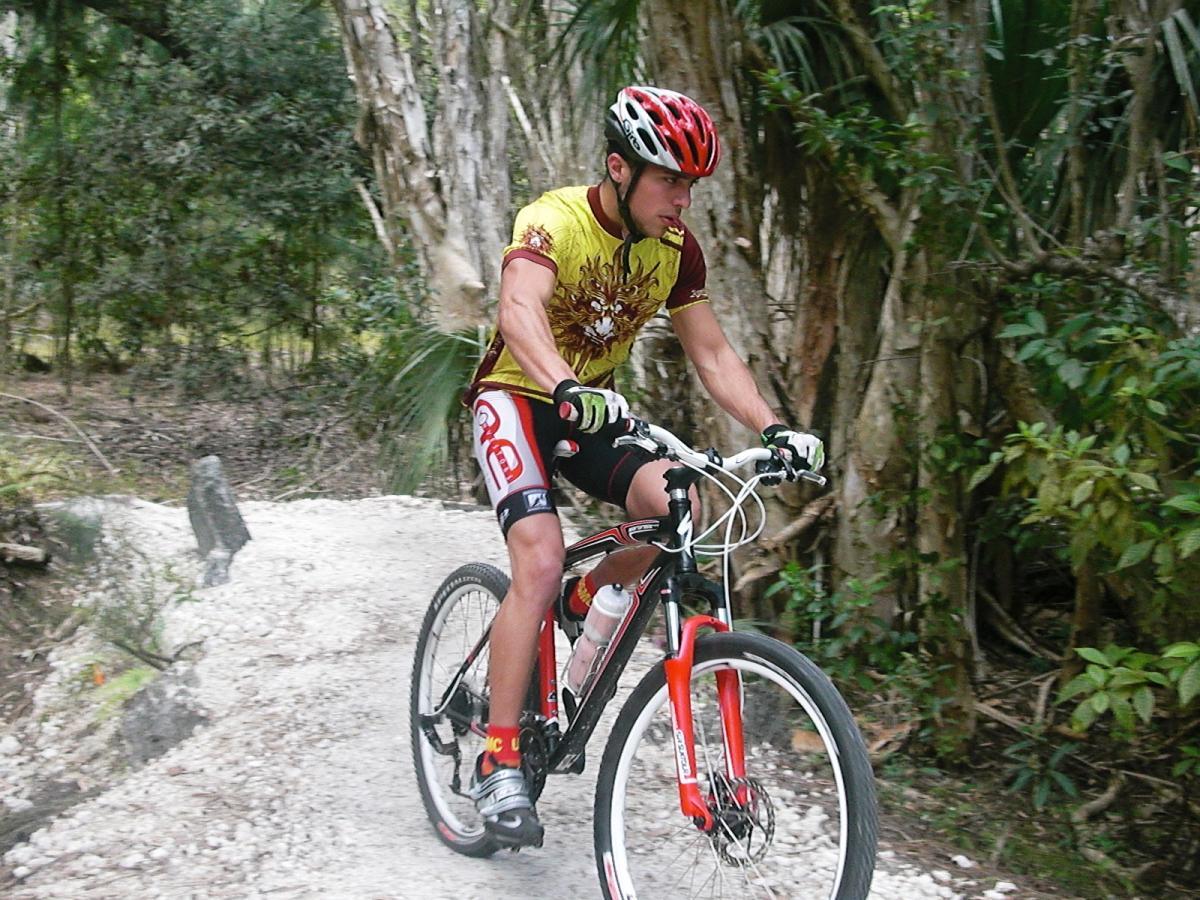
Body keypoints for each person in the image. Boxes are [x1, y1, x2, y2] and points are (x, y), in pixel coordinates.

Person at [463, 85, 826, 849]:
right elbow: (519, 310)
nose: (682, 199)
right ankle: (497, 758)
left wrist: (777, 426)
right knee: (537, 556)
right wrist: (561, 382)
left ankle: (586, 596)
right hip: (519, 398)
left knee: (681, 509)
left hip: (593, 408)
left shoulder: (674, 252)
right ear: (618, 170)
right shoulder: (553, 220)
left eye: (691, 184)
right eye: (669, 180)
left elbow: (713, 352)